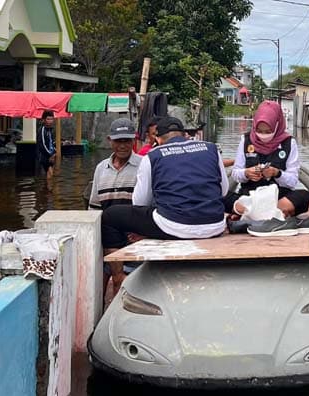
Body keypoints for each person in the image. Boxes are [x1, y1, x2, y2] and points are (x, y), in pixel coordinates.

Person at [101, 117, 228, 251]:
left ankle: (117, 272)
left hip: (173, 226)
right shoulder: (211, 148)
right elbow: (223, 191)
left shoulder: (152, 156)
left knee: (111, 216)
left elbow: (140, 202)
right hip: (215, 224)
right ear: (185, 135)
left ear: (158, 139)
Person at [226, 100, 309, 219]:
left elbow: (292, 181)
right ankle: (271, 214)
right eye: (259, 131)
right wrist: (247, 173)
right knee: (220, 195)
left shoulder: (289, 143)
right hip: (250, 196)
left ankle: (249, 214)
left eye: (268, 131)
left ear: (277, 126)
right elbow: (235, 173)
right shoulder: (246, 140)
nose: (263, 135)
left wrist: (277, 173)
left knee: (304, 196)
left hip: (278, 197)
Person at [88, 118, 142, 299]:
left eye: (127, 140)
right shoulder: (101, 169)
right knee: (101, 284)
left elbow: (150, 204)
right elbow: (94, 207)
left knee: (132, 285)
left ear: (134, 140)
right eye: (119, 141)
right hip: (108, 239)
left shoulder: (144, 165)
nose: (123, 145)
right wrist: (94, 239)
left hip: (134, 238)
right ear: (110, 140)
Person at [36, 110, 56, 179]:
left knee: (50, 174)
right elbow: (42, 145)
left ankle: (48, 188)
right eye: (48, 119)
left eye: (51, 119)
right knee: (48, 173)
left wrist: (54, 153)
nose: (50, 121)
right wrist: (50, 155)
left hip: (51, 155)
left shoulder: (51, 130)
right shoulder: (42, 130)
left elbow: (52, 142)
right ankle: (48, 188)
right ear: (44, 120)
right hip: (44, 156)